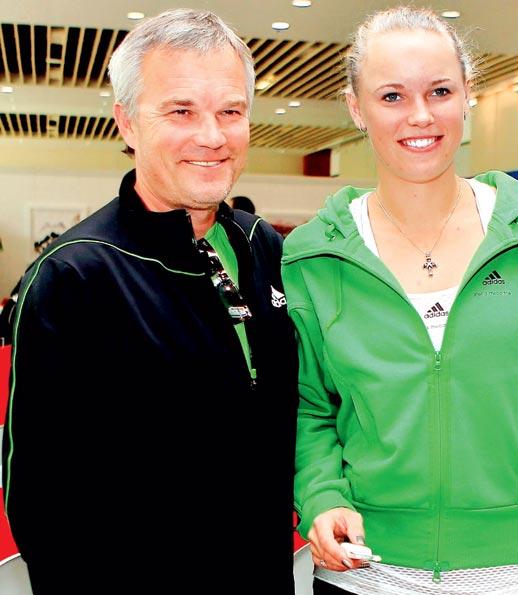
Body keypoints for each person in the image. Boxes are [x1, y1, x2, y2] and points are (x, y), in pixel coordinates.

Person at [282, 7, 518, 595]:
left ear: (469, 93)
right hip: (364, 576)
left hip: (514, 575)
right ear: (355, 107)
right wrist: (320, 498)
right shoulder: (316, 257)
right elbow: (311, 411)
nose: (420, 116)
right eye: (391, 96)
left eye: (440, 90)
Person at [2, 9, 297, 594]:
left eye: (230, 112)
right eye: (181, 111)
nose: (211, 136)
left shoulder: (261, 245)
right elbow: (40, 501)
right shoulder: (75, 276)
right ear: (128, 122)